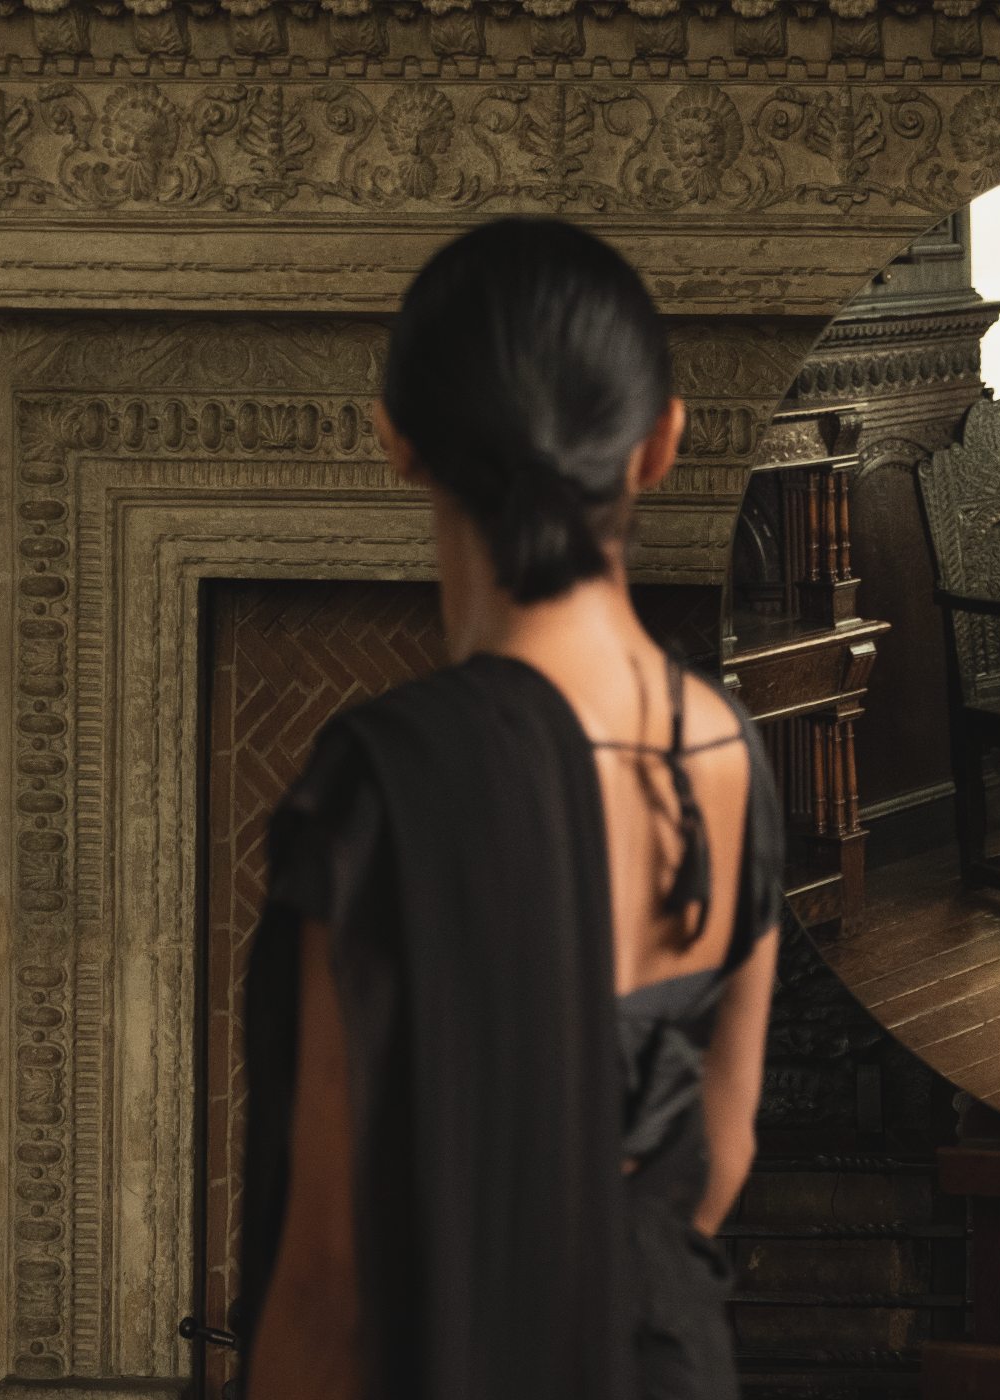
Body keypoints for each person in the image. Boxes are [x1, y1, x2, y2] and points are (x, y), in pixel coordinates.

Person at [236, 216, 786, 1400]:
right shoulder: (731, 752)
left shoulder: (385, 779)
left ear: (398, 439)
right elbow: (721, 1148)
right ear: (659, 446)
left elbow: (328, 1283)